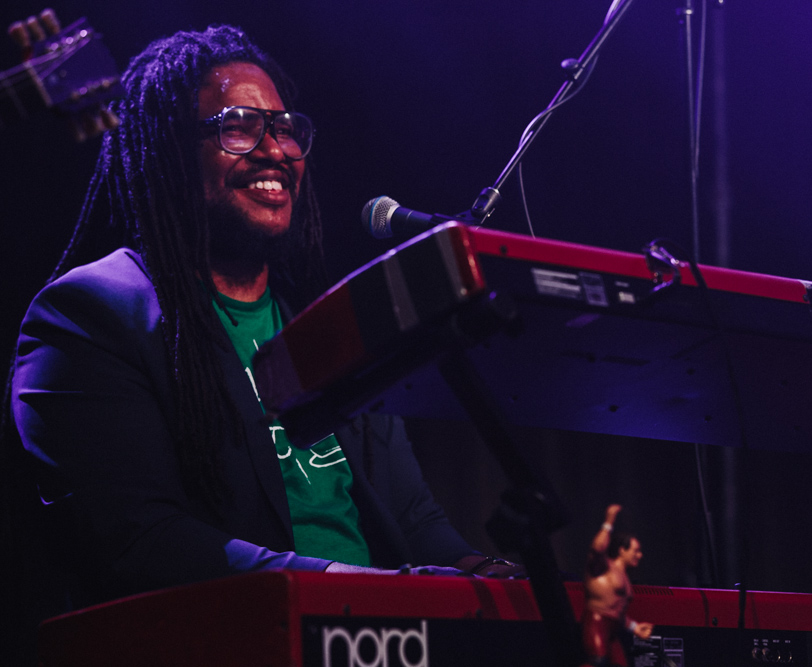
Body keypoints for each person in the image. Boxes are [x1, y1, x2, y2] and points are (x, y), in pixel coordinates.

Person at [3, 24, 517, 631]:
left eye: (285, 128)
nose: (275, 149)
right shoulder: (88, 314)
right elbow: (139, 540)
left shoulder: (330, 327)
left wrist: (497, 579)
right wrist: (353, 590)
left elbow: (415, 522)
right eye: (240, 126)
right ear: (170, 150)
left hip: (379, 628)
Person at [580, 504, 654, 667]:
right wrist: (608, 523)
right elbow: (597, 548)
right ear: (622, 550)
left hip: (613, 630)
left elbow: (617, 611)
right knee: (597, 663)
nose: (639, 555)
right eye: (636, 551)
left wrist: (634, 627)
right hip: (597, 623)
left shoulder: (625, 578)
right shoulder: (603, 567)